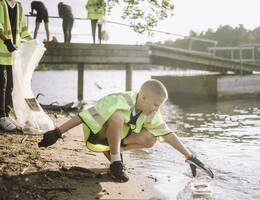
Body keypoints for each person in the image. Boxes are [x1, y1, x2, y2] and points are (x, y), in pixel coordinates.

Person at [38, 79, 214, 182]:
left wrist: (190, 157)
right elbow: (86, 115)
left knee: (152, 139)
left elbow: (167, 134)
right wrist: (58, 132)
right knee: (117, 117)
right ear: (143, 97)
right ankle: (116, 163)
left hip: (115, 141)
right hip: (97, 137)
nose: (156, 109)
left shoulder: (151, 112)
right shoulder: (120, 99)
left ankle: (114, 153)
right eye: (155, 105)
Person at [0, 0, 32, 131]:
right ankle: (1, 117)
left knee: (11, 85)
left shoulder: (19, 7)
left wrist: (34, 42)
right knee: (2, 83)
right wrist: (6, 41)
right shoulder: (1, 4)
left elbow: (24, 30)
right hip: (1, 51)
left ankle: (6, 115)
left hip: (13, 55)